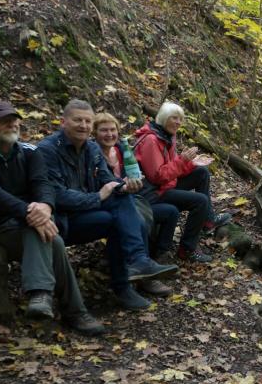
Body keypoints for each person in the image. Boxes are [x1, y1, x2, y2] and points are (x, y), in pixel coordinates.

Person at [0, 101, 104, 335]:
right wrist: (31, 213)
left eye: (14, 119)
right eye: (3, 121)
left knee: (52, 239)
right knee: (45, 233)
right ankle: (69, 309)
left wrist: (45, 206)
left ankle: (45, 297)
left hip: (31, 222)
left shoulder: (29, 152)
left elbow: (42, 184)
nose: (12, 124)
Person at [38, 99, 178, 311]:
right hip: (61, 219)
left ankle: (135, 267)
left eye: (87, 121)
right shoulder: (48, 150)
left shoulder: (91, 148)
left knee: (121, 202)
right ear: (63, 122)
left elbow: (107, 180)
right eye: (77, 120)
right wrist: (98, 197)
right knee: (119, 214)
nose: (83, 125)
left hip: (87, 211)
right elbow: (56, 196)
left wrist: (124, 187)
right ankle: (130, 274)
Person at [133, 101, 231, 263]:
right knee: (200, 201)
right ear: (164, 118)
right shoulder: (151, 140)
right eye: (174, 118)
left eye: (180, 119)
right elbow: (158, 176)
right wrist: (183, 160)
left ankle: (208, 219)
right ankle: (187, 249)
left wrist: (191, 163)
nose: (178, 122)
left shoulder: (166, 136)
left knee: (201, 172)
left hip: (165, 185)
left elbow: (173, 169)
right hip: (154, 193)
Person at [93, 112, 179, 296]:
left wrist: (135, 181)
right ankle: (143, 276)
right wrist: (121, 185)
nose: (109, 134)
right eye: (103, 130)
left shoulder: (121, 150)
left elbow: (135, 176)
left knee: (170, 212)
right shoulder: (92, 154)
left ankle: (156, 259)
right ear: (95, 133)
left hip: (131, 197)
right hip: (107, 201)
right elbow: (98, 184)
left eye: (113, 130)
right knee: (138, 220)